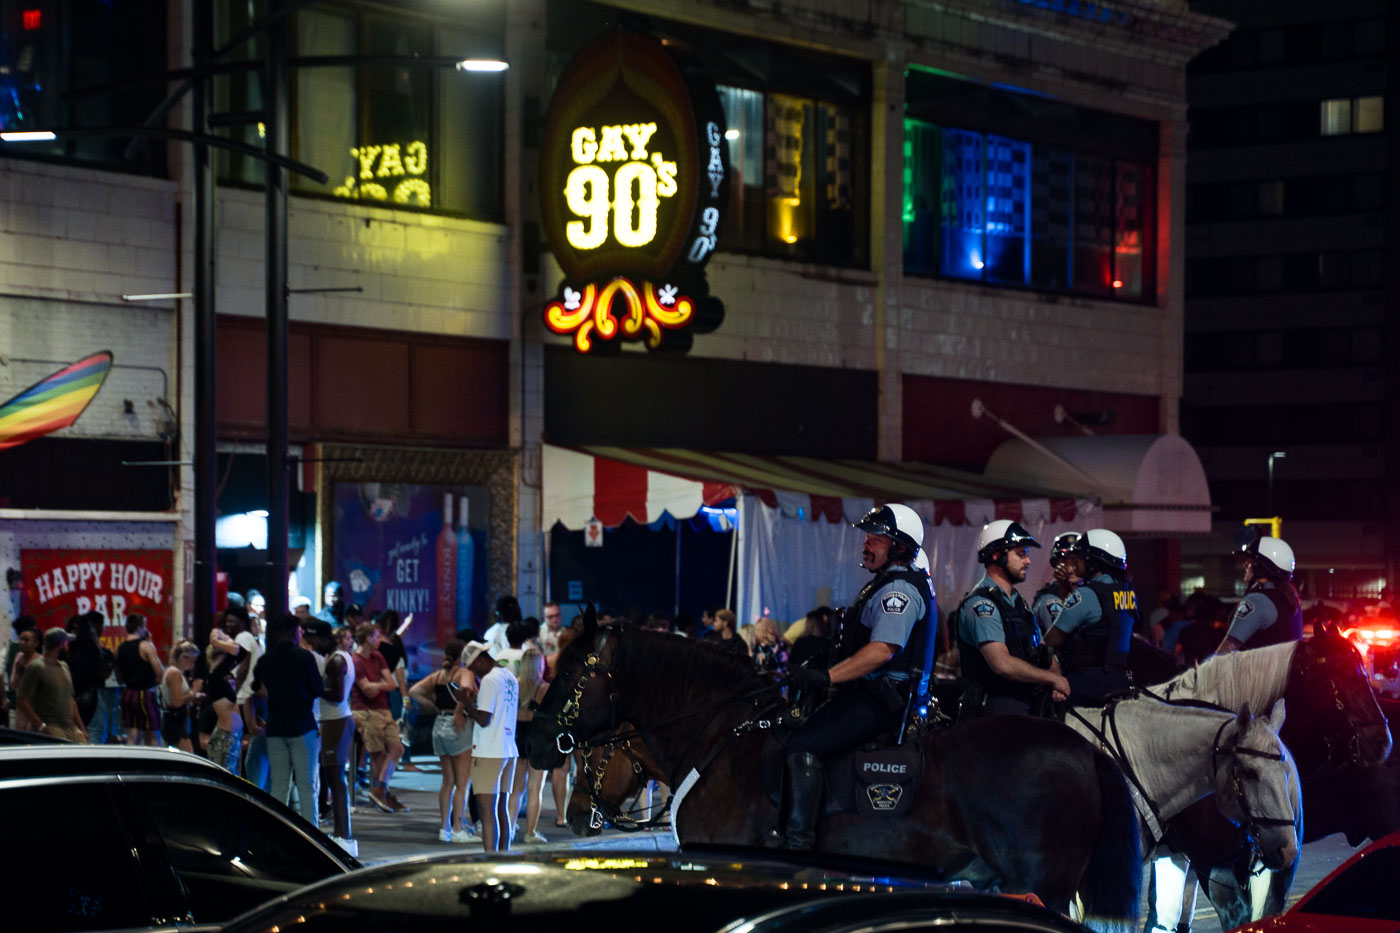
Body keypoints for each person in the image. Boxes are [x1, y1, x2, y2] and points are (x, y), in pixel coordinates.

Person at [777, 503, 936, 850]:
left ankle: (798, 842)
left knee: (803, 743)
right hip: (873, 694)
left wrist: (828, 677)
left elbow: (883, 650)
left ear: (900, 546)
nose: (867, 544)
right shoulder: (884, 584)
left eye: (877, 538)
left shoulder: (899, 591)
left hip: (881, 700)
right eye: (867, 537)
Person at [955, 520, 1068, 718]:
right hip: (994, 712)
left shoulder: (1019, 603)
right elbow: (1001, 663)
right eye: (1021, 554)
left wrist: (1056, 677)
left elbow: (1043, 649)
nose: (1028, 561)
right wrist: (1051, 679)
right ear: (997, 555)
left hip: (1025, 706)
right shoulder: (982, 604)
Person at [1043, 529, 1136, 705]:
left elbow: (1051, 640)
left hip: (1087, 684)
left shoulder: (1085, 594)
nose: (1076, 563)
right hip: (1121, 679)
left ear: (1094, 562)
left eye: (1080, 557)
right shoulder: (1128, 593)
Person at [252, 614, 324, 826]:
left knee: (279, 786)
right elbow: (317, 689)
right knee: (306, 785)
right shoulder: (305, 658)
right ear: (295, 632)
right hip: (303, 725)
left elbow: (257, 688)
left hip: (275, 727)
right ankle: (312, 833)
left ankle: (278, 832)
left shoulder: (265, 660)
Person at [409, 637, 477, 844]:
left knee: (447, 782)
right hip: (458, 727)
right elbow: (464, 691)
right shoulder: (464, 673)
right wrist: (459, 711)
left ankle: (444, 828)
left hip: (439, 724)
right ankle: (458, 828)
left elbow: (414, 691)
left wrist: (432, 705)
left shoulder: (439, 675)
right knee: (462, 783)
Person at [458, 639, 519, 853]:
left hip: (489, 752)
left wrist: (465, 703)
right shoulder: (510, 676)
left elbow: (484, 719)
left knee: (487, 813)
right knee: (502, 808)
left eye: (474, 667)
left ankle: (490, 859)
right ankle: (504, 855)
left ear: (481, 660)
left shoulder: (489, 680)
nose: (474, 673)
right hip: (509, 749)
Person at [351, 622, 408, 813]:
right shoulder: (356, 660)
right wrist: (379, 685)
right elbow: (366, 691)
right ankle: (382, 795)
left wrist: (375, 685)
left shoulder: (378, 656)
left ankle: (380, 789)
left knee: (397, 748)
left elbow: (391, 683)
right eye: (376, 636)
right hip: (365, 711)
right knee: (378, 755)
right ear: (368, 638)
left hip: (383, 709)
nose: (379, 640)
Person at [1215, 536, 1303, 654]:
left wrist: (1206, 670)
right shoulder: (1290, 598)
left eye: (1249, 562)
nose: (1245, 565)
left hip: (1253, 672)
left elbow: (1228, 648)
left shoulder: (1257, 600)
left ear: (1260, 567)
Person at [311, 620, 356, 849]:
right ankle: (342, 833)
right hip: (335, 720)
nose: (313, 644)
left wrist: (314, 688)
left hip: (336, 721)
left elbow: (337, 695)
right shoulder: (339, 658)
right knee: (333, 779)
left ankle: (344, 836)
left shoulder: (337, 660)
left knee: (335, 780)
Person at [507, 643, 549, 844]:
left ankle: (509, 828)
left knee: (516, 788)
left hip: (517, 735)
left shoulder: (515, 683)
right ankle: (530, 833)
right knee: (535, 788)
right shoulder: (544, 688)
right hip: (537, 737)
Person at [17, 628, 88, 742]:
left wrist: (82, 728)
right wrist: (41, 726)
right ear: (61, 644)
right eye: (66, 642)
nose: (67, 645)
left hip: (71, 728)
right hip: (52, 727)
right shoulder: (36, 667)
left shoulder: (64, 666)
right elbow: (22, 701)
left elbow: (70, 699)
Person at [116, 614, 165, 746]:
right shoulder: (145, 646)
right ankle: (156, 764)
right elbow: (159, 671)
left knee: (132, 735)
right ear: (139, 627)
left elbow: (119, 677)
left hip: (128, 694)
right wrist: (156, 684)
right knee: (153, 733)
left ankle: (129, 765)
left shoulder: (120, 648)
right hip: (144, 694)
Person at [1030, 532, 1082, 634]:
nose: (1070, 569)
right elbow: (1063, 637)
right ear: (1056, 564)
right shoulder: (1050, 599)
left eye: (1074, 563)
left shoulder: (1086, 593)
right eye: (1065, 564)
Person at [159, 641, 202, 751]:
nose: (193, 665)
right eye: (192, 661)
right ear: (184, 658)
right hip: (174, 723)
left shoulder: (174, 672)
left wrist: (192, 696)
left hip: (176, 722)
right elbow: (176, 702)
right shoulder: (174, 673)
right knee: (187, 758)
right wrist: (193, 692)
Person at [9, 627, 40, 730]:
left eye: (26, 640)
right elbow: (13, 684)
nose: (22, 642)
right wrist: (18, 670)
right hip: (19, 708)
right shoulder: (18, 656)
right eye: (21, 639)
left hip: (34, 709)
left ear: (36, 643)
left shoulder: (40, 661)